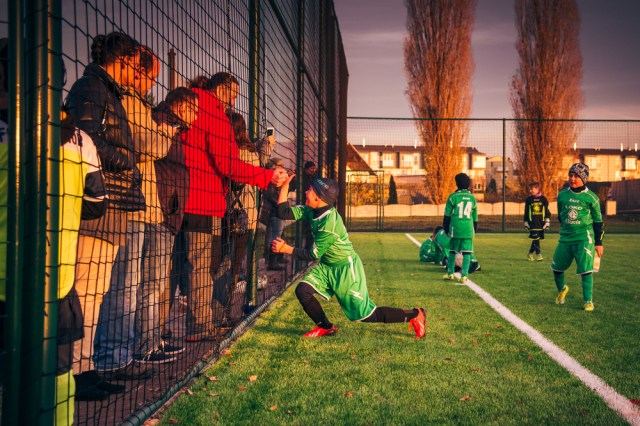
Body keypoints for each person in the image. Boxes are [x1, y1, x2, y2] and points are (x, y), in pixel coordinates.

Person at [64, 31, 149, 389]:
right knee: (85, 289)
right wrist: (126, 163)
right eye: (136, 61)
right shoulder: (92, 88)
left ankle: (84, 368)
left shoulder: (105, 90)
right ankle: (75, 373)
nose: (138, 71)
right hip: (98, 205)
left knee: (95, 290)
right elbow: (84, 140)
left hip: (112, 203)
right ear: (125, 59)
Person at [178, 74, 287, 342]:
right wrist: (266, 176)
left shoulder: (194, 106)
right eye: (232, 91)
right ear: (220, 89)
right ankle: (200, 326)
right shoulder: (212, 114)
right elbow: (228, 164)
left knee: (181, 267)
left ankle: (168, 330)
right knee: (202, 267)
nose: (235, 98)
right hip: (201, 199)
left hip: (185, 197)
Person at [271, 175, 426, 338]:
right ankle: (325, 327)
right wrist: (285, 185)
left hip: (345, 268)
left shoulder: (328, 223)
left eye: (310, 189)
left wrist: (286, 249)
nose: (306, 191)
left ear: (318, 196)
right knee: (303, 290)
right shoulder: (312, 210)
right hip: (327, 266)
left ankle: (415, 314)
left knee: (366, 315)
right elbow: (283, 212)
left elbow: (312, 254)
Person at [120, 46, 185, 366]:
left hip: (154, 210)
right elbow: (150, 146)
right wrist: (165, 134)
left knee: (149, 285)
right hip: (140, 208)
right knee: (131, 286)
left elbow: (153, 146)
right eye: (151, 76)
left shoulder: (144, 109)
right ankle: (126, 352)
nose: (151, 84)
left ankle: (147, 344)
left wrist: (162, 136)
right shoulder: (135, 105)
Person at [155, 87, 199, 342]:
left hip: (172, 211)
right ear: (182, 107)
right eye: (194, 110)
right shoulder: (163, 125)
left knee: (163, 275)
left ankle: (156, 332)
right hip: (163, 211)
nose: (196, 116)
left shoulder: (177, 131)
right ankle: (151, 336)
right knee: (155, 280)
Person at [551, 163, 604, 312]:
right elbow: (561, 215)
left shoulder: (591, 198)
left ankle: (588, 301)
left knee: (586, 270)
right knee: (556, 269)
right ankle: (562, 289)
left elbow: (598, 222)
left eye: (576, 176)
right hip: (565, 239)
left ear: (584, 178)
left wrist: (598, 243)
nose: (572, 179)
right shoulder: (562, 195)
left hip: (584, 239)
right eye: (570, 175)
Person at [442, 173, 478, 284]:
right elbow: (475, 218)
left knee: (452, 251)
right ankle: (464, 276)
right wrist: (474, 231)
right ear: (468, 185)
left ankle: (450, 274)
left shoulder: (452, 197)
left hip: (455, 229)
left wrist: (446, 229)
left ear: (457, 184)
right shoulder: (472, 198)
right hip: (468, 229)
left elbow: (447, 216)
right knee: (467, 253)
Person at [261, 158, 288, 271]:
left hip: (276, 211)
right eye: (280, 166)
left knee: (279, 235)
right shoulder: (271, 179)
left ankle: (277, 258)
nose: (283, 168)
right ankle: (272, 262)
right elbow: (271, 196)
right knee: (275, 237)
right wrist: (281, 204)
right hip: (274, 212)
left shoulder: (275, 179)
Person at [524, 182, 551, 261]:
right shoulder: (529, 200)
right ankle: (538, 254)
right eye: (530, 189)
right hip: (532, 222)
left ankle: (530, 253)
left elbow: (546, 211)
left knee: (536, 238)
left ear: (537, 189)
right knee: (536, 238)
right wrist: (526, 222)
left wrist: (547, 221)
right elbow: (526, 211)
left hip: (541, 222)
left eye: (531, 189)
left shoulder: (543, 199)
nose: (530, 190)